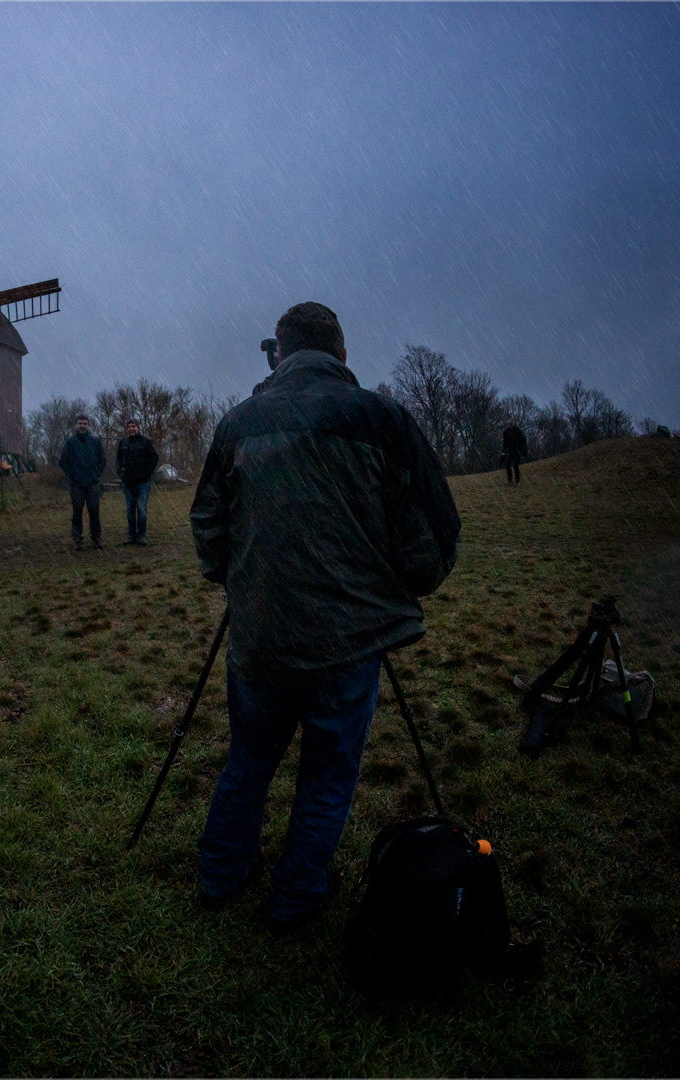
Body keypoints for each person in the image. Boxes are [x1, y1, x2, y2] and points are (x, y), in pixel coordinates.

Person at [189, 301, 460, 935]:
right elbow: (432, 531)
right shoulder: (379, 418)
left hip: (259, 639)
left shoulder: (239, 422)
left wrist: (245, 577)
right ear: (340, 354)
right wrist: (398, 582)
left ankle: (220, 875)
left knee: (250, 758)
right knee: (328, 772)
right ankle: (296, 899)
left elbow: (206, 525)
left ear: (279, 354)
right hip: (346, 640)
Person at [58, 414, 106, 550]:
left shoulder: (95, 442)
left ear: (88, 425)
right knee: (77, 511)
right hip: (76, 485)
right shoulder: (70, 443)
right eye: (80, 423)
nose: (82, 426)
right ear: (76, 425)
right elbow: (62, 462)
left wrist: (96, 474)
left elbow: (103, 460)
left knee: (94, 511)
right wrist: (72, 475)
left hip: (92, 483)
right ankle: (77, 539)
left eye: (85, 423)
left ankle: (96, 538)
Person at [116, 419, 160, 545]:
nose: (131, 429)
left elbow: (154, 458)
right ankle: (131, 536)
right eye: (129, 427)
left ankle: (141, 536)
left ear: (138, 428)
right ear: (126, 429)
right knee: (130, 510)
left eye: (133, 426)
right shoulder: (123, 443)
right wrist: (122, 474)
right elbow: (118, 460)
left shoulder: (146, 442)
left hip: (143, 483)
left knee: (141, 510)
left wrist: (147, 473)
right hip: (128, 483)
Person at [502, 420, 528, 485]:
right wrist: (504, 450)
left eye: (511, 424)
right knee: (507, 464)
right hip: (509, 450)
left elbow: (523, 441)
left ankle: (517, 480)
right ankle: (509, 480)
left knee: (515, 465)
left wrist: (523, 450)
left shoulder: (518, 431)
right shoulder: (506, 432)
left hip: (517, 450)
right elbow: (505, 442)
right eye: (509, 424)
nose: (510, 425)